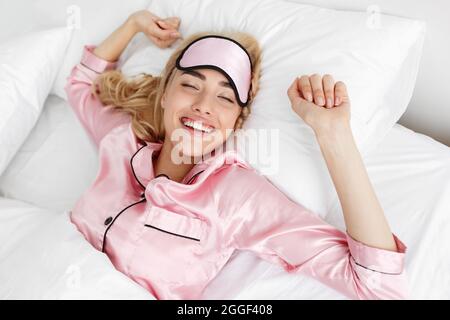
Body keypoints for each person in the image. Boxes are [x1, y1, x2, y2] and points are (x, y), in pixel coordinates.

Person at [65, 10, 408, 300]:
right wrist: (134, 24)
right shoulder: (122, 140)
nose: (203, 107)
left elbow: (378, 284)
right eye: (190, 85)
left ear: (237, 121)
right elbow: (82, 83)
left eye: (225, 99)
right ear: (164, 94)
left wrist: (334, 135)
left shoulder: (238, 197)